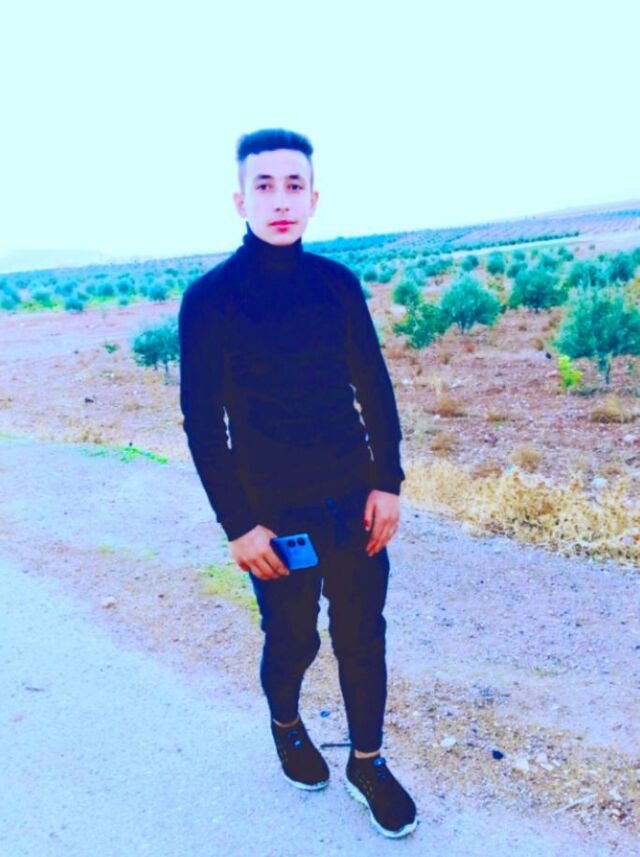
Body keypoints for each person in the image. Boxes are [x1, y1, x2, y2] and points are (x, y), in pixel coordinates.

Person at [177, 127, 418, 839]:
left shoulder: (336, 285)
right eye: (264, 186)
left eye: (293, 186)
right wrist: (238, 527)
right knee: (292, 640)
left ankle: (367, 763)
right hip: (275, 521)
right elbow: (202, 426)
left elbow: (374, 389)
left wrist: (388, 483)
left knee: (362, 635)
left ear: (314, 198)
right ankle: (285, 723)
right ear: (239, 199)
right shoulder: (210, 300)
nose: (280, 200)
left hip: (356, 505)